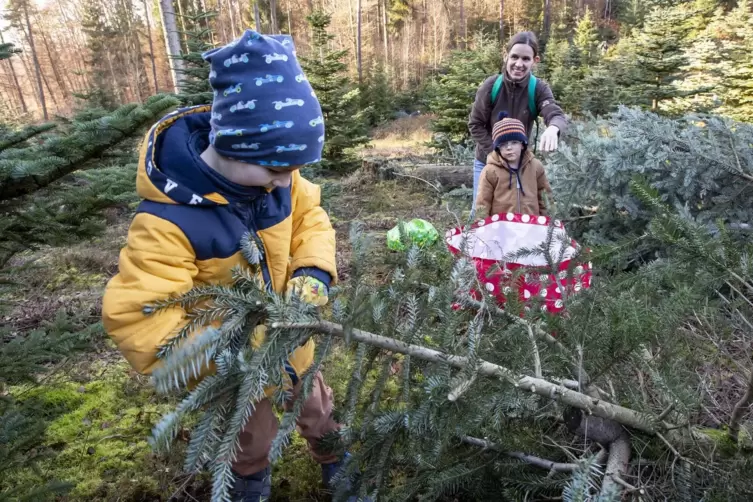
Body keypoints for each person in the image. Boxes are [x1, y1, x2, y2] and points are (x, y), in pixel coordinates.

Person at [102, 29, 363, 502]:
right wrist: (222, 357)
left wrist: (313, 272)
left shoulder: (280, 180)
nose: (285, 181)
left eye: (291, 171)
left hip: (293, 344)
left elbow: (312, 220)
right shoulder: (168, 220)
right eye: (276, 170)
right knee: (249, 435)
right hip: (235, 371)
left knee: (319, 408)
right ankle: (247, 482)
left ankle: (335, 461)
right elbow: (137, 315)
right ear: (234, 146)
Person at [468, 31, 567, 205]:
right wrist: (496, 153)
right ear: (506, 56)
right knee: (481, 218)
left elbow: (554, 113)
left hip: (519, 167)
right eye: (514, 57)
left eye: (526, 59)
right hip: (486, 163)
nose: (519, 64)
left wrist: (553, 128)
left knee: (519, 216)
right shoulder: (491, 86)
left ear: (535, 61)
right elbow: (475, 124)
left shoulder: (538, 89)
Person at [475, 112, 552, 218]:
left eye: (514, 142)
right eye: (503, 144)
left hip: (532, 226)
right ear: (497, 148)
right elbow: (483, 203)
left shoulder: (535, 166)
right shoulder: (490, 171)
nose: (509, 147)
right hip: (501, 227)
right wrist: (482, 227)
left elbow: (544, 198)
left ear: (522, 144)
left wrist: (549, 222)